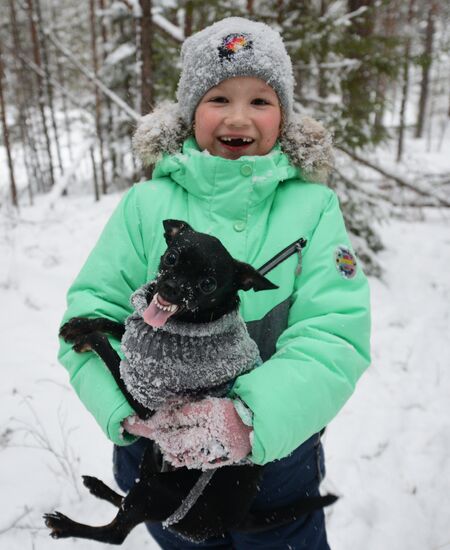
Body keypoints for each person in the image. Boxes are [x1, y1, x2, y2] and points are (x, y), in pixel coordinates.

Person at [58, 17, 371, 549]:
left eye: (261, 101)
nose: (239, 117)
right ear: (190, 112)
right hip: (158, 451)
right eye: (219, 98)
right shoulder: (147, 204)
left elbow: (334, 332)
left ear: (284, 115)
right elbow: (90, 310)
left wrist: (253, 419)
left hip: (276, 447)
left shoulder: (313, 207)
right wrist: (128, 416)